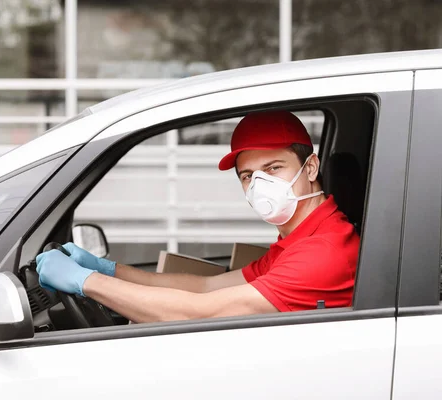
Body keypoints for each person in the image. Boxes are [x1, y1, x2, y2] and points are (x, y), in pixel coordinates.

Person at [36, 110, 359, 323]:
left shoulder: (323, 251)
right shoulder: (300, 239)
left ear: (311, 167)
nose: (259, 184)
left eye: (273, 168)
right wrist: (108, 269)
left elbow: (202, 312)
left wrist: (86, 282)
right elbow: (206, 287)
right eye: (248, 175)